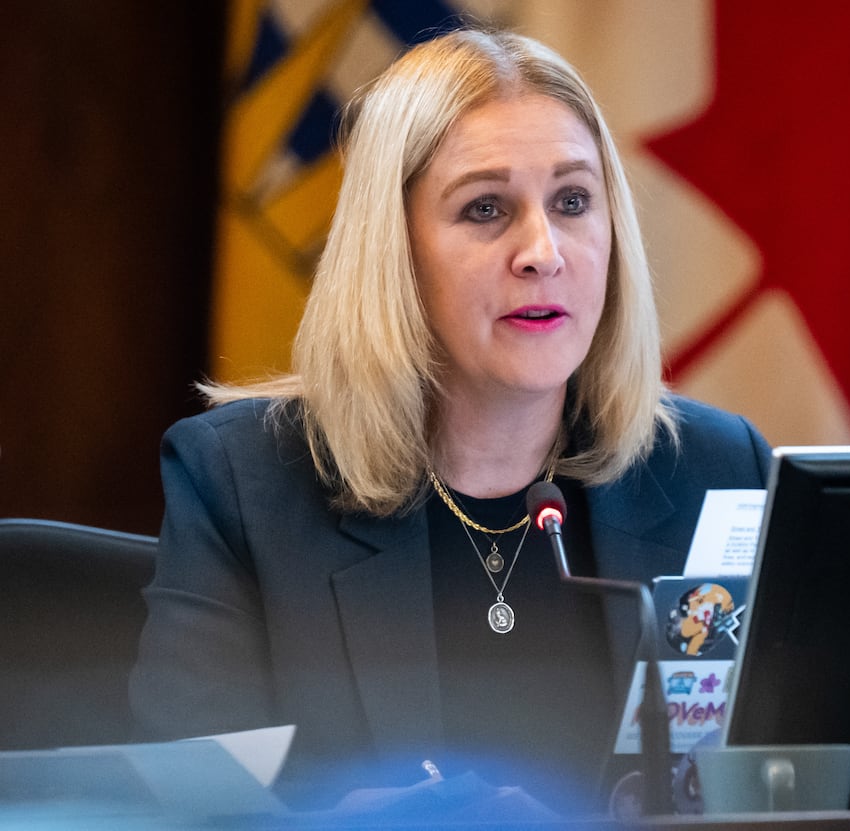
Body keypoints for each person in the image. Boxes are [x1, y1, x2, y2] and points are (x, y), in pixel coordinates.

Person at [129, 27, 771, 815]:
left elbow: (801, 774)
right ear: (393, 251)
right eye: (486, 208)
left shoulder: (715, 470)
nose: (543, 250)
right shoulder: (245, 485)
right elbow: (184, 809)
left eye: (573, 201)